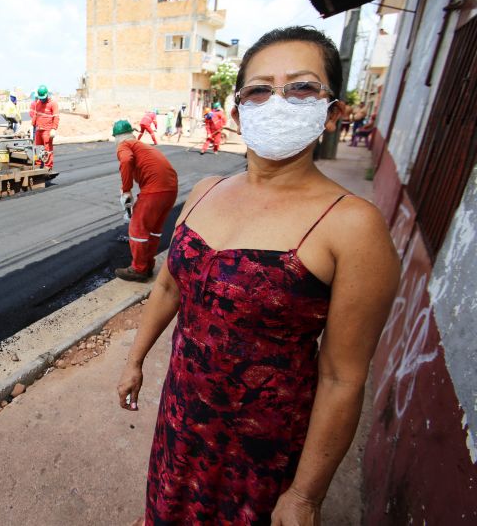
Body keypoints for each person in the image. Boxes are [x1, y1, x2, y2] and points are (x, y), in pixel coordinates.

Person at [116, 26, 400, 525]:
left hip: (260, 446)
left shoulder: (353, 226)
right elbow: (168, 286)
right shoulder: (205, 191)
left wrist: (306, 495)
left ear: (332, 113)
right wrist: (135, 360)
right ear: (239, 109)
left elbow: (341, 377)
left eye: (303, 88)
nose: (278, 101)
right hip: (181, 414)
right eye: (261, 89)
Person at [112, 120, 178, 282]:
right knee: (153, 230)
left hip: (155, 189)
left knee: (137, 229)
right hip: (170, 188)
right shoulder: (141, 145)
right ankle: (148, 265)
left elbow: (126, 160)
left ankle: (138, 269)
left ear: (116, 137)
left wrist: (126, 189)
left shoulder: (124, 145)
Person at [30, 85, 59, 170]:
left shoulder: (53, 104)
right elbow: (35, 114)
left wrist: (54, 128)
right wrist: (32, 125)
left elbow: (56, 117)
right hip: (39, 129)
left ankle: (48, 166)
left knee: (47, 148)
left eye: (43, 97)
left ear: (47, 95)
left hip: (47, 130)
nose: (42, 99)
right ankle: (38, 164)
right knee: (37, 147)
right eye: (40, 98)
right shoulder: (38, 103)